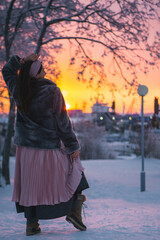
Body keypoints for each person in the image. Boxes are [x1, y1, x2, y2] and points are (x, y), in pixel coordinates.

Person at [2, 53, 89, 236]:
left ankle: (32, 224)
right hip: (48, 146)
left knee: (31, 185)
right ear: (38, 74)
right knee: (74, 168)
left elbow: (7, 70)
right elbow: (62, 122)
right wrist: (73, 146)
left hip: (25, 150)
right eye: (42, 69)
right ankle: (74, 209)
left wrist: (21, 61)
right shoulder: (52, 91)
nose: (45, 72)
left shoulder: (19, 88)